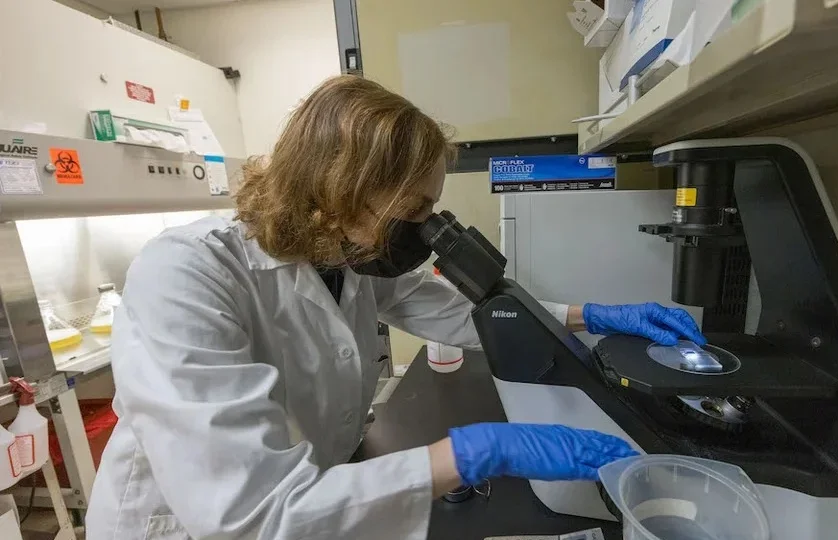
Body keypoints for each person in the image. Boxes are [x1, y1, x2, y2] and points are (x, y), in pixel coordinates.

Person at [86, 75, 706, 540]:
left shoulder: (345, 255)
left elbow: (455, 311)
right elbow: (249, 511)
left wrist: (591, 315)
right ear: (339, 187)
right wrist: (475, 453)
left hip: (313, 497)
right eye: (412, 209)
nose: (424, 228)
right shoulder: (187, 273)